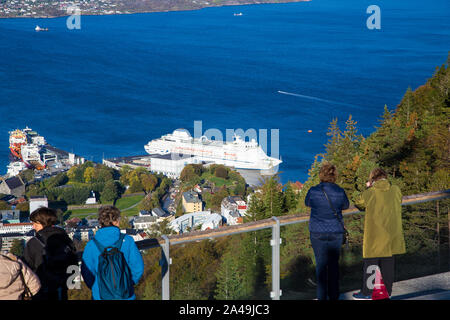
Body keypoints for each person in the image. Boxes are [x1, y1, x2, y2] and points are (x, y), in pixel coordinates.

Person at [352, 168, 406, 300]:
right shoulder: (396, 190)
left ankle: (367, 292)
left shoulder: (371, 192)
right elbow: (398, 200)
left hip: (375, 234)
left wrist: (368, 188)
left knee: (371, 263)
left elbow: (359, 203)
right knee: (388, 263)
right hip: (392, 233)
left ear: (372, 179)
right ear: (385, 177)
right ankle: (387, 292)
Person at [305, 162, 349, 300]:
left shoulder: (313, 190)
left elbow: (307, 203)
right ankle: (334, 296)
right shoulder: (340, 191)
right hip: (335, 232)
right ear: (334, 176)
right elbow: (346, 205)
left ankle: (321, 297)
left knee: (321, 266)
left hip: (317, 232)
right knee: (334, 266)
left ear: (321, 174)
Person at [81, 205, 144, 300]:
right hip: (126, 294)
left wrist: (96, 287)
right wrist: (127, 283)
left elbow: (87, 273)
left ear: (100, 222)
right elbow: (138, 267)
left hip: (100, 295)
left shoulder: (91, 245)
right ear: (116, 221)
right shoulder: (127, 240)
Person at [22, 207, 78, 300]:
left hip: (41, 290)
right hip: (62, 289)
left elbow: (26, 269)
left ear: (43, 223)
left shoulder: (34, 243)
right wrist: (68, 286)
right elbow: (73, 264)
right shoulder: (65, 240)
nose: (33, 226)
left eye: (35, 223)